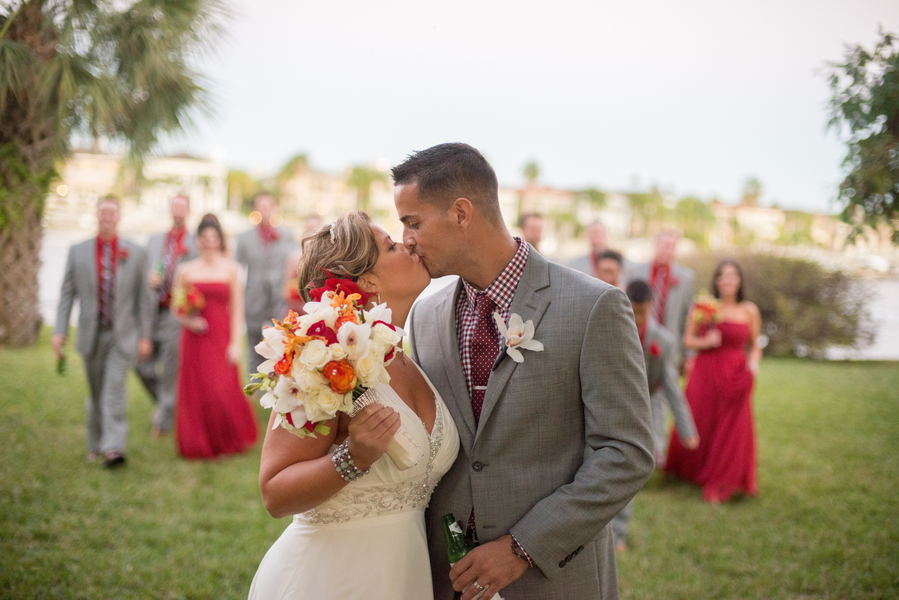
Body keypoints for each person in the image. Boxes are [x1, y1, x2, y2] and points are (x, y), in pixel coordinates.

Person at [395, 143, 654, 600]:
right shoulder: (425, 315)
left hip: (554, 580)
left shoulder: (594, 306)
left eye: (413, 222)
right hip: (447, 580)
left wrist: (520, 548)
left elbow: (626, 451)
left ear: (461, 213)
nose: (407, 240)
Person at [248, 212, 460, 599]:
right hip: (328, 579)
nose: (408, 244)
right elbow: (274, 493)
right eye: (392, 246)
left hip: (402, 577)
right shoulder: (323, 360)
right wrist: (353, 457)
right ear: (367, 282)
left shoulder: (407, 357)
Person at [52, 197, 152, 468]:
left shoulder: (136, 252)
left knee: (114, 390)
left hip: (122, 335)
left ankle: (113, 448)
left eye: (112, 212)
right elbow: (66, 294)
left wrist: (145, 336)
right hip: (90, 334)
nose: (107, 216)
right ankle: (95, 444)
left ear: (119, 217)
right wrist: (59, 331)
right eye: (103, 212)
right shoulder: (78, 251)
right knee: (96, 393)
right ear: (97, 215)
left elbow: (144, 299)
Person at [610, 280, 698, 551]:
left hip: (645, 408)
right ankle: (606, 533)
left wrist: (687, 430)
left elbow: (671, 387)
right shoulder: (609, 329)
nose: (636, 319)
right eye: (632, 311)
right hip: (611, 405)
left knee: (630, 470)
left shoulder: (664, 342)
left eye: (642, 313)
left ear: (652, 308)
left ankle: (618, 534)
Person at [665, 260, 761, 504]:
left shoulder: (749, 310)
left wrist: (753, 363)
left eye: (732, 275)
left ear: (739, 280)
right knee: (703, 419)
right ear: (716, 281)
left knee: (731, 427)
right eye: (722, 276)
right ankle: (693, 469)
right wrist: (705, 343)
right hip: (706, 372)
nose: (727, 280)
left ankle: (723, 477)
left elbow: (755, 345)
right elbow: (687, 340)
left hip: (736, 374)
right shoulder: (704, 306)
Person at [171, 214, 258, 460]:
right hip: (195, 338)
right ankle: (198, 442)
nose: (209, 242)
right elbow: (176, 306)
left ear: (220, 240)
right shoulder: (186, 270)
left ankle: (226, 440)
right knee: (198, 390)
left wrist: (234, 343)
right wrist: (188, 320)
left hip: (221, 336)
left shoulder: (231, 269)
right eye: (204, 238)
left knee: (220, 389)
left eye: (213, 237)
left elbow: (237, 308)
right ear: (197, 240)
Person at [622, 229, 695, 464]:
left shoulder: (686, 277)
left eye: (672, 245)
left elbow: (686, 316)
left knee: (660, 395)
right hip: (631, 340)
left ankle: (657, 450)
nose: (667, 249)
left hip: (665, 343)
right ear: (656, 245)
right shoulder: (635, 272)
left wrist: (688, 354)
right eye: (664, 244)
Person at [136, 194, 197, 438]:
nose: (178, 211)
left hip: (176, 312)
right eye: (175, 206)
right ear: (170, 209)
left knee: (171, 368)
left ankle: (163, 421)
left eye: (183, 207)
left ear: (189, 210)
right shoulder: (153, 240)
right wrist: (148, 278)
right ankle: (166, 404)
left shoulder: (194, 242)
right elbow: (141, 272)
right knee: (141, 365)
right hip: (151, 310)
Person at [236, 194, 294, 374]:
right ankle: (253, 382)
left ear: (274, 208)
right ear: (256, 209)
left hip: (278, 298)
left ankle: (275, 380)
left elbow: (292, 264)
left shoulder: (286, 235)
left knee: (278, 340)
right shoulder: (244, 238)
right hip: (253, 297)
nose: (264, 210)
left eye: (267, 206)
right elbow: (237, 268)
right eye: (260, 206)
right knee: (253, 342)